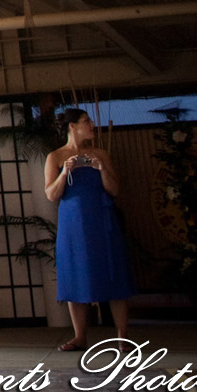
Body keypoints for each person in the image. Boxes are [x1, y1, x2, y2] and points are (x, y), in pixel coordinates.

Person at [46, 107, 134, 352]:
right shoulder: (55, 156)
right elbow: (51, 194)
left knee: (113, 271)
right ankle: (80, 336)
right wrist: (65, 171)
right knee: (76, 273)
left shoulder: (100, 154)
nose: (92, 125)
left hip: (102, 219)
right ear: (72, 126)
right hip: (73, 223)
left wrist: (101, 168)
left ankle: (123, 335)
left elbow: (114, 190)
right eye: (86, 121)